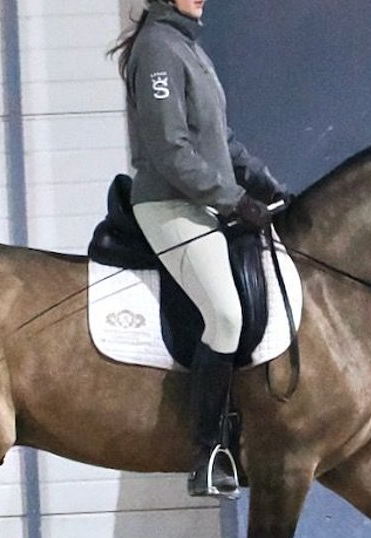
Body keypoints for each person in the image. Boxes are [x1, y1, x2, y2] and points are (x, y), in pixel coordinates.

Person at [109, 0, 290, 498]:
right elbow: (169, 149)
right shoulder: (158, 49)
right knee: (226, 315)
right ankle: (209, 452)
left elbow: (219, 139)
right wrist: (232, 200)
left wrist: (261, 180)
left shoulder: (188, 46)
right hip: (168, 203)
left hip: (201, 201)